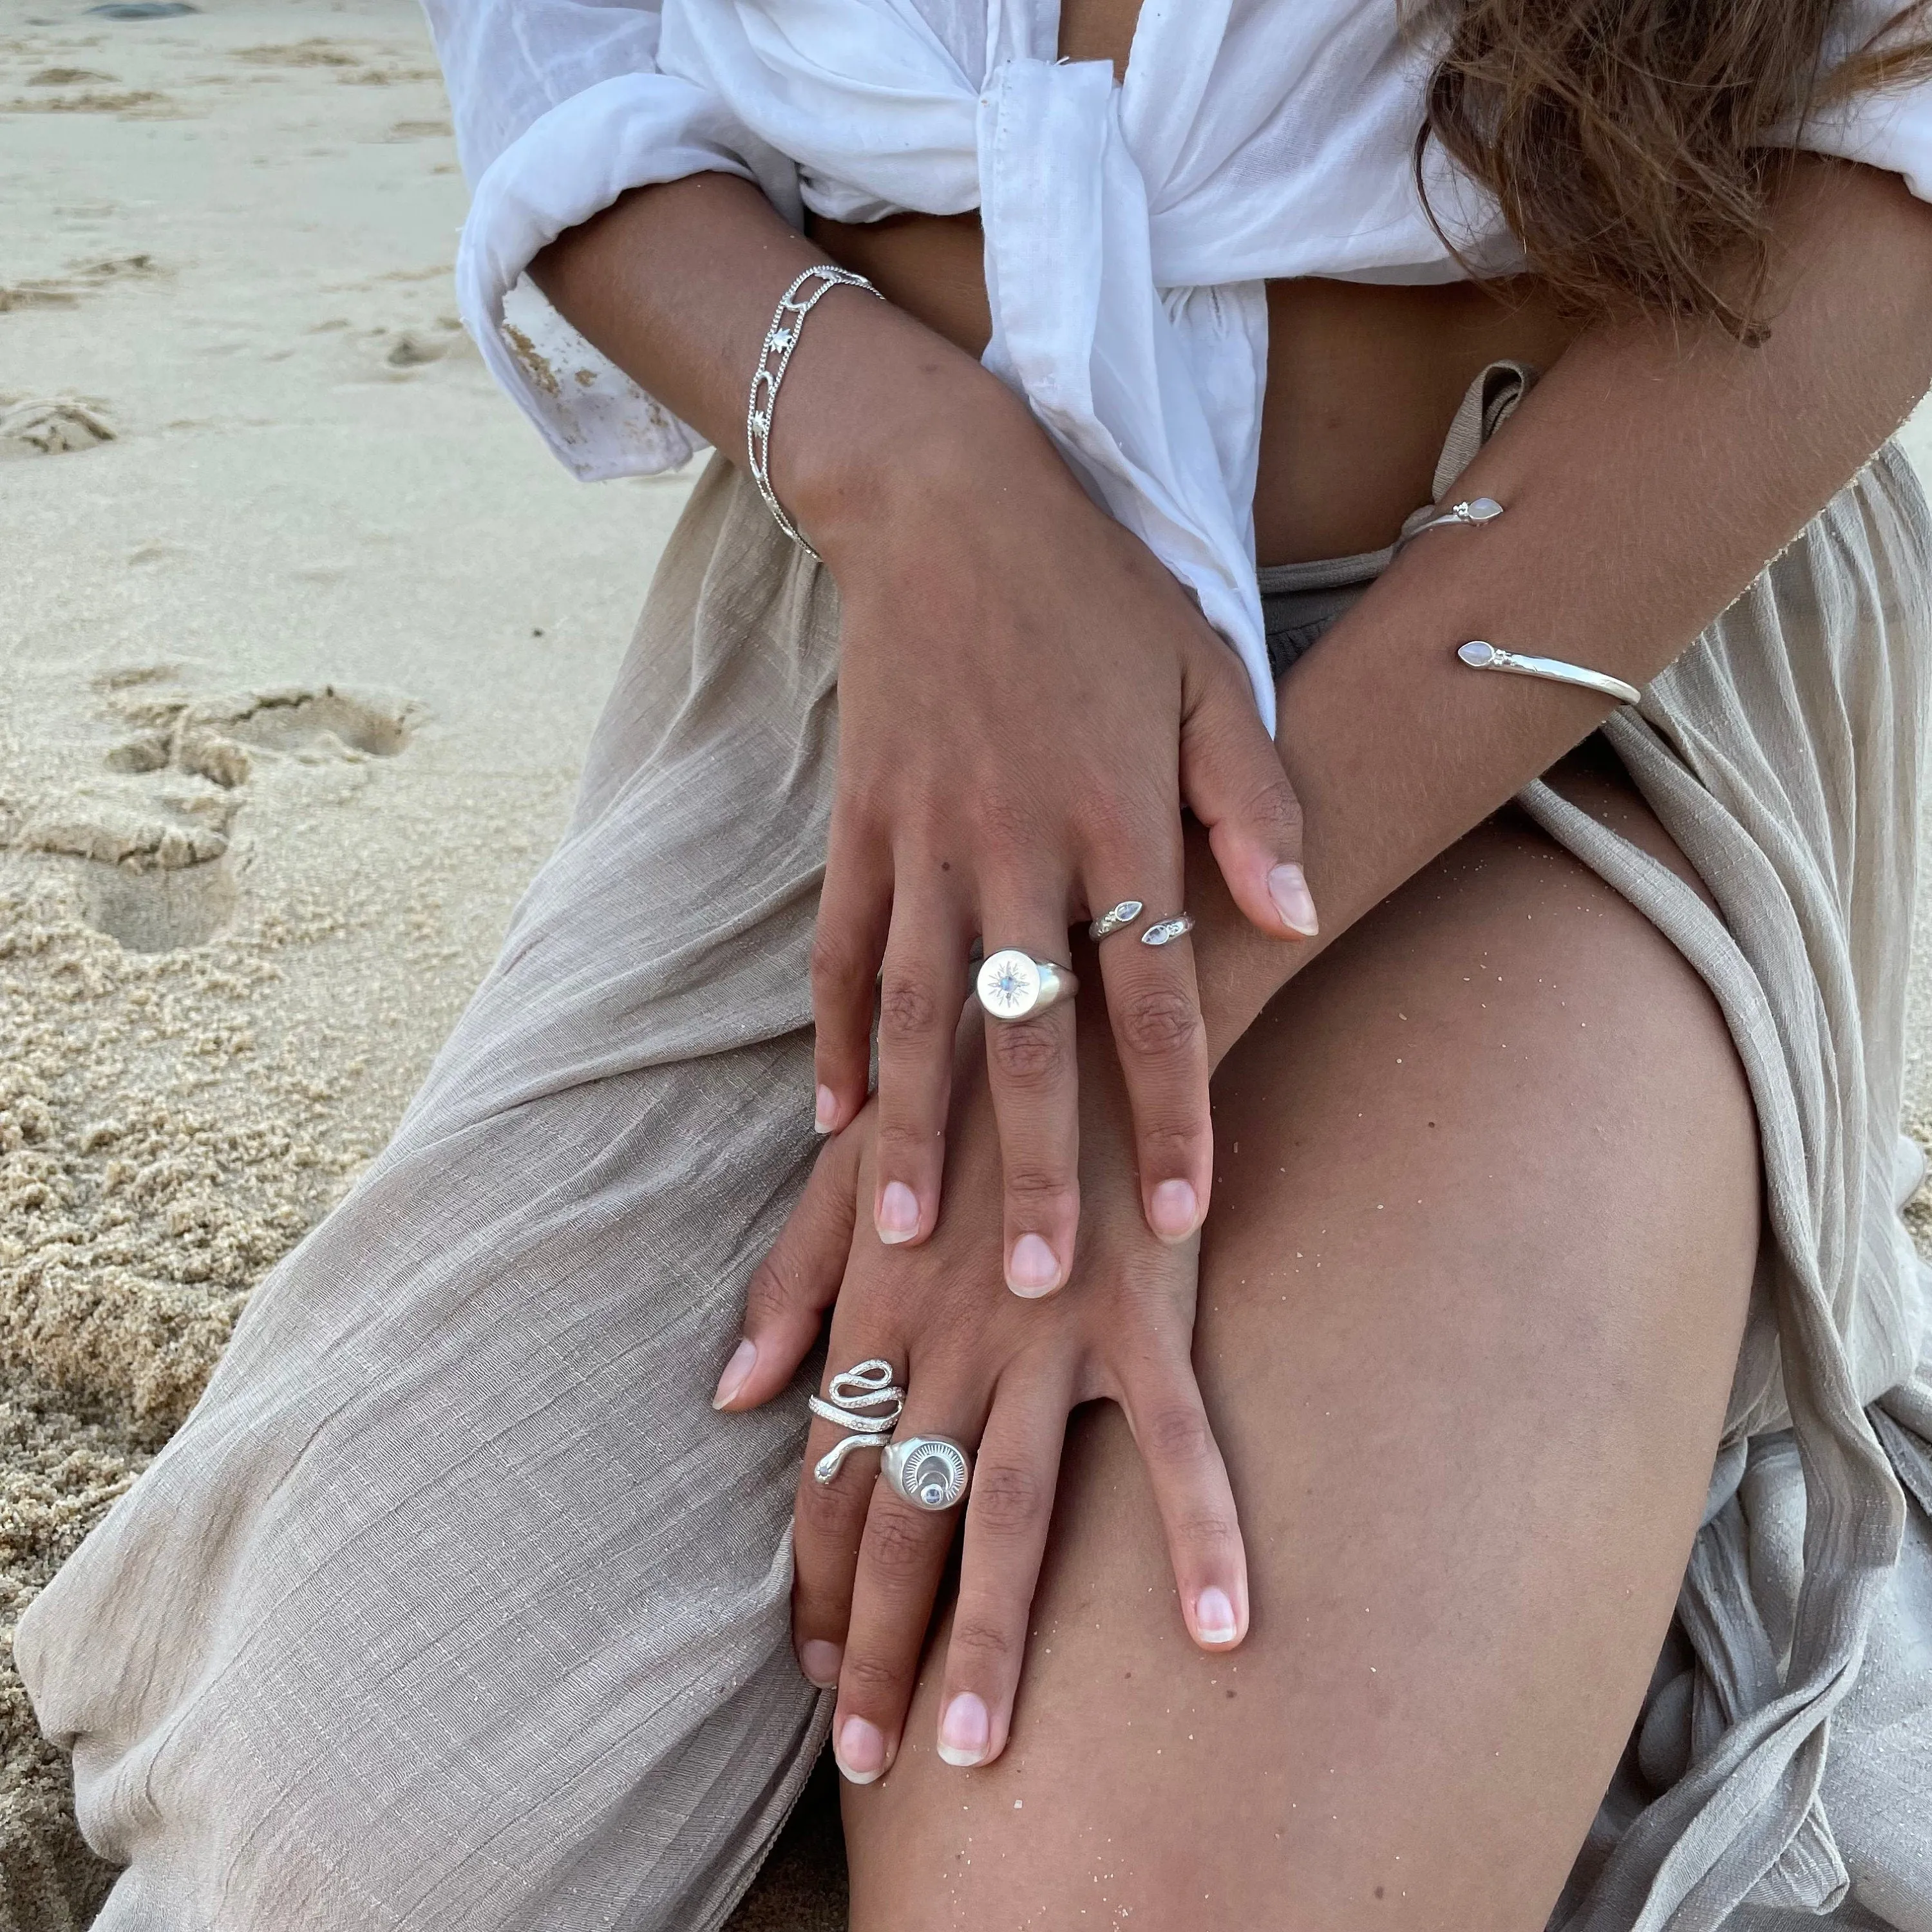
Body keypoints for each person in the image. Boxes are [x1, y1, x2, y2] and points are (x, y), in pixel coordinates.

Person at [17, 0, 1932, 1924]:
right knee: (362, 1843)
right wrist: (911, 472)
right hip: (883, 631)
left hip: (1533, 666)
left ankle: (1582, 1486)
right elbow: (565, 49)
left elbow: (1889, 151)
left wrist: (1126, 1040)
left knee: (1115, 1889)